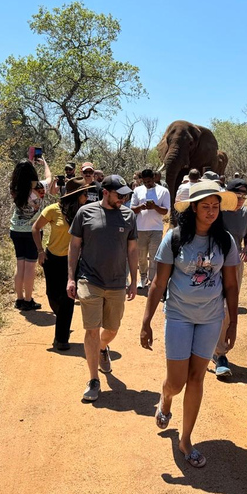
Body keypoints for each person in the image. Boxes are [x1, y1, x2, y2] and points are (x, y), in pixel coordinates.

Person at [140, 180, 240, 468]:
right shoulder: (175, 238)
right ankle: (166, 397)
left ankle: (186, 440)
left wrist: (231, 321)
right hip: (179, 316)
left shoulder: (226, 241)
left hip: (211, 318)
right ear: (193, 208)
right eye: (205, 207)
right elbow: (158, 283)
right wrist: (146, 322)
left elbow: (231, 286)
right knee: (176, 381)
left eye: (215, 207)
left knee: (197, 378)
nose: (211, 212)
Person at [67, 175, 138, 402]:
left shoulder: (128, 216)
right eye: (120, 195)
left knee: (112, 329)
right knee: (91, 330)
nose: (123, 199)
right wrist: (71, 278)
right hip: (89, 280)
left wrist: (134, 280)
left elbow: (133, 250)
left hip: (117, 282)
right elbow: (74, 246)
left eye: (126, 195)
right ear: (105, 192)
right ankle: (93, 379)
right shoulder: (85, 213)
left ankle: (102, 348)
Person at [32, 177, 93, 351]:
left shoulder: (84, 212)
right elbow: (35, 228)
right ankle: (62, 320)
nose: (87, 198)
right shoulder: (53, 210)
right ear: (76, 196)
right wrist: (40, 251)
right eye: (84, 194)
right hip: (52, 259)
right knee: (53, 296)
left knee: (67, 298)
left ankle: (61, 338)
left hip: (72, 261)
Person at [211, 178, 247, 377]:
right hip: (212, 264)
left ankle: (220, 353)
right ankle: (204, 345)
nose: (241, 200)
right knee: (211, 304)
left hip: (235, 265)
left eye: (244, 197)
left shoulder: (246, 214)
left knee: (229, 307)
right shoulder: (216, 211)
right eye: (237, 196)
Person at [9, 157, 51, 311]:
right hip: (32, 231)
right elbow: (49, 178)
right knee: (30, 267)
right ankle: (28, 300)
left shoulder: (14, 187)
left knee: (20, 265)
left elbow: (24, 179)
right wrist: (44, 163)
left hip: (16, 230)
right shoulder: (39, 187)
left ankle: (19, 299)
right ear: (32, 173)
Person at [130, 169, 171, 289]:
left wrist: (155, 207)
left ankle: (152, 279)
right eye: (144, 182)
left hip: (156, 229)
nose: (147, 184)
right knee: (141, 256)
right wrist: (141, 207)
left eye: (149, 181)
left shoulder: (163, 191)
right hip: (140, 228)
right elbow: (132, 209)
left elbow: (166, 211)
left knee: (154, 257)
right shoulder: (137, 190)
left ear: (154, 178)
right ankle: (142, 277)